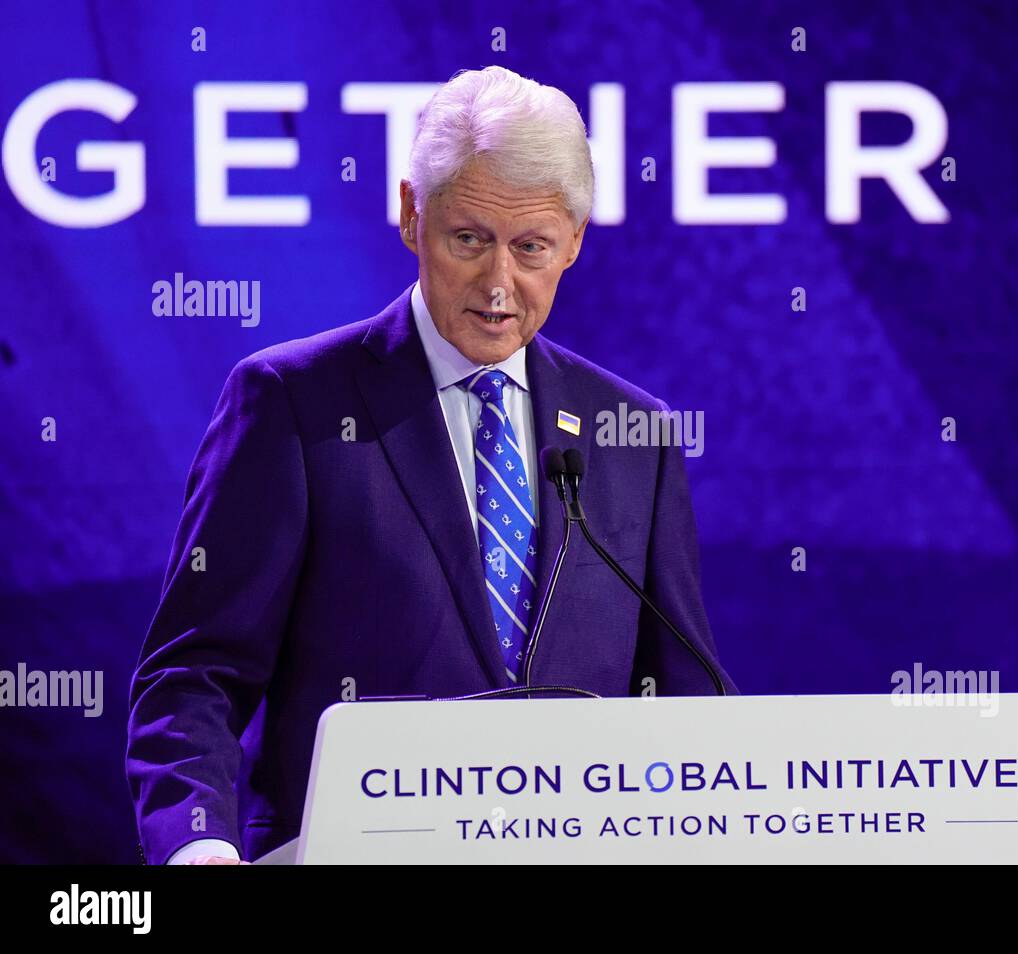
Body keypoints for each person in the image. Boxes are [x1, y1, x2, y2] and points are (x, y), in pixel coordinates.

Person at [124, 66, 737, 865]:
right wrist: (198, 846)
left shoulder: (632, 434)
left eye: (531, 248)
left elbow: (684, 696)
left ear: (573, 244)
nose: (498, 283)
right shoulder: (291, 402)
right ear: (413, 214)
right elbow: (195, 676)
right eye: (469, 240)